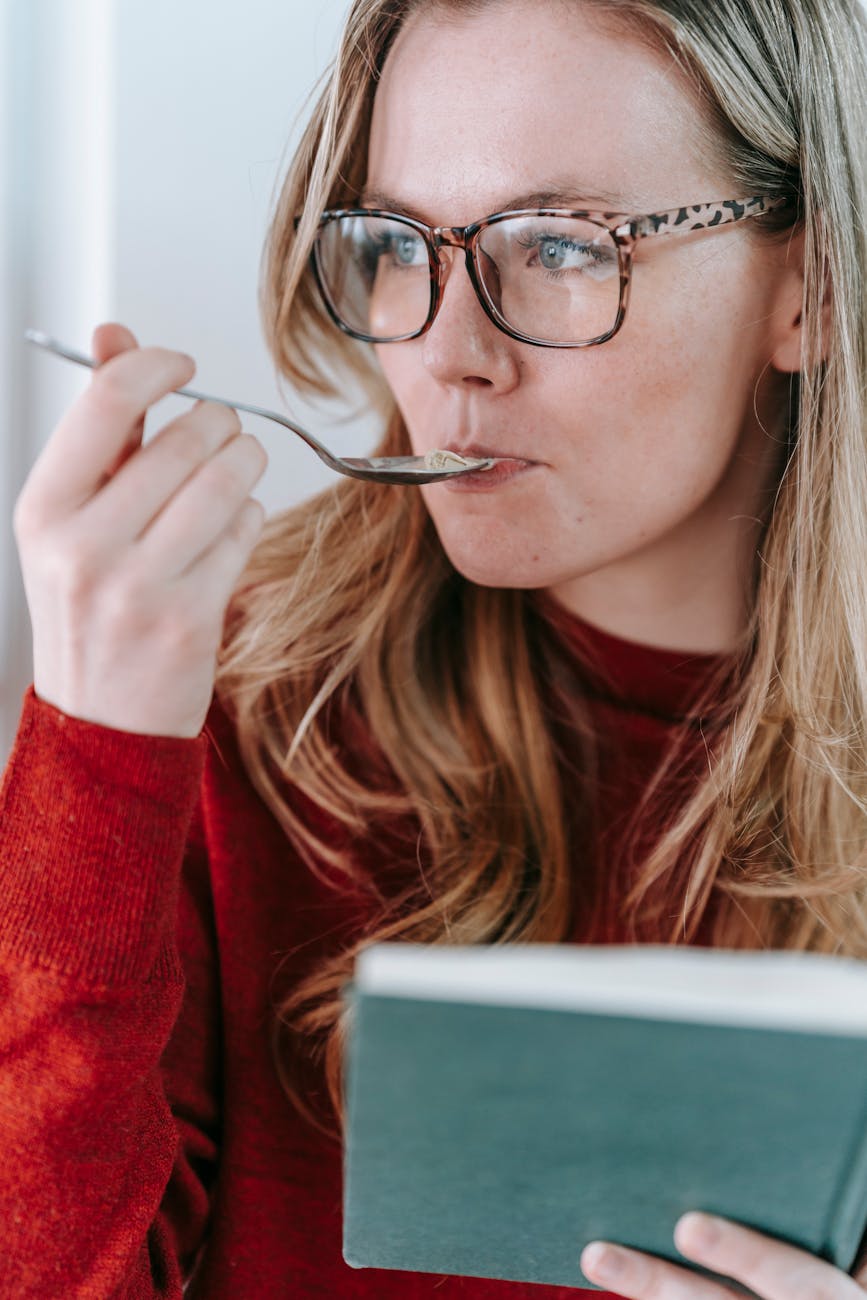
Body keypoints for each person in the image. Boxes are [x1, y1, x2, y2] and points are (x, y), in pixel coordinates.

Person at [2, 0, 866, 1295]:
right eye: (400, 245)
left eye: (560, 247)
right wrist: (99, 752)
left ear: (814, 284)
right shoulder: (228, 708)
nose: (448, 355)